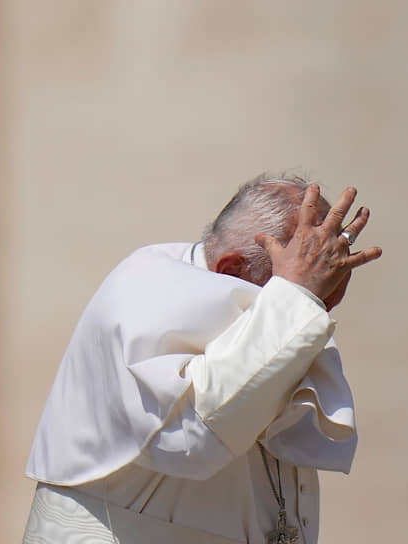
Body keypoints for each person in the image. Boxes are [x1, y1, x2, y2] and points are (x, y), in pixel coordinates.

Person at [22, 173, 382, 544]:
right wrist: (296, 298)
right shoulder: (146, 290)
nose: (324, 301)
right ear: (231, 270)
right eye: (310, 271)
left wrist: (297, 299)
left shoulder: (279, 309)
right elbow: (190, 440)